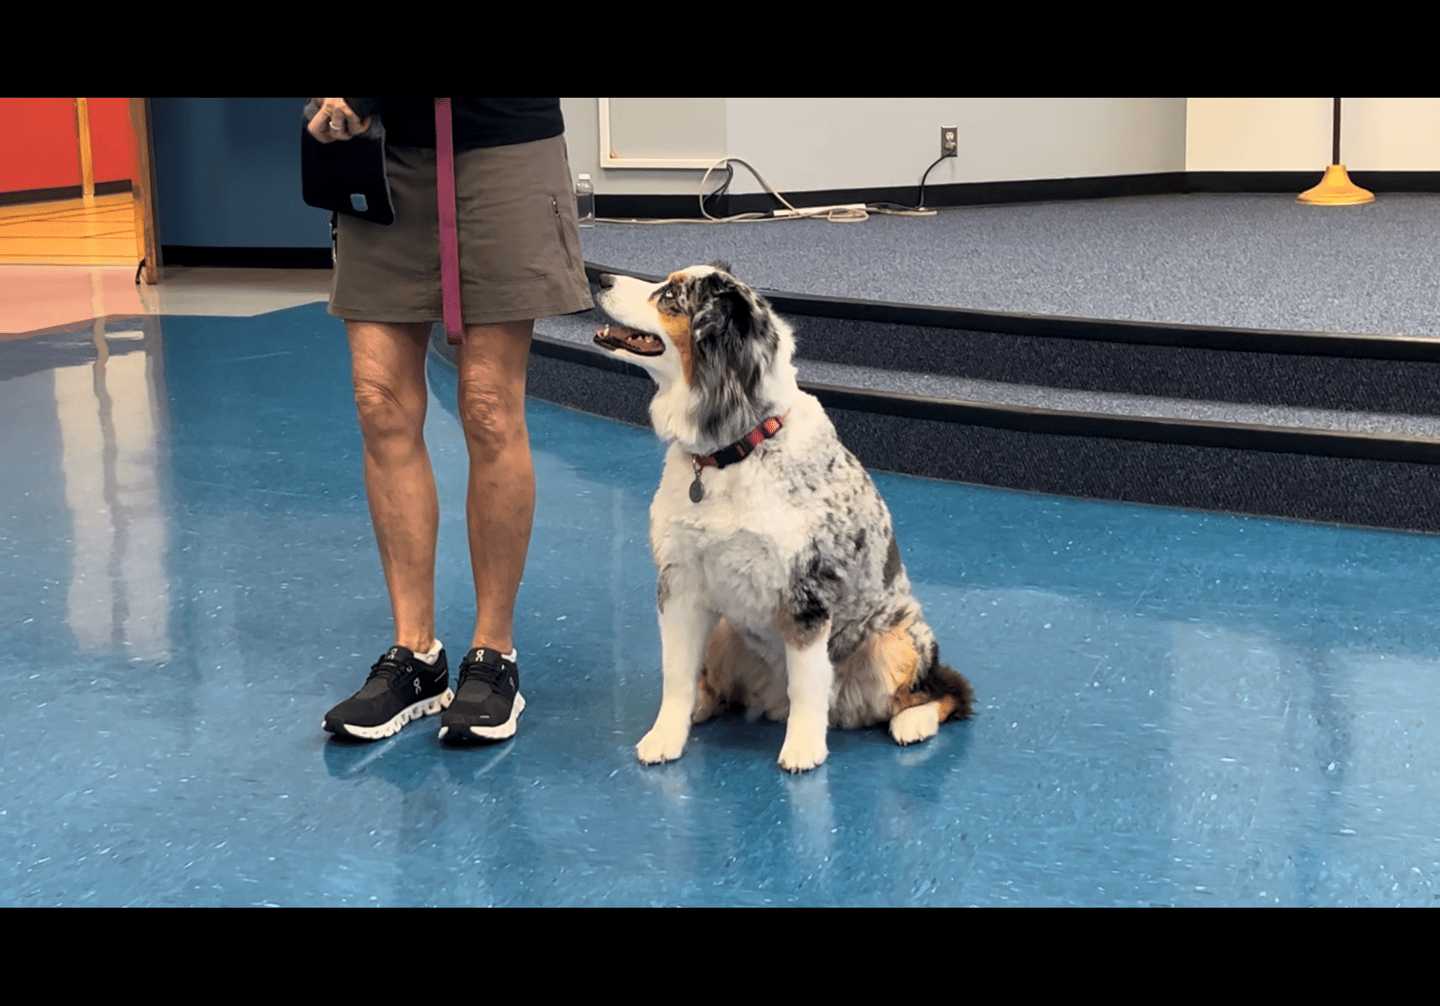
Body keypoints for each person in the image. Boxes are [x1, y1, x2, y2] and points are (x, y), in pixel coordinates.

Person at [313, 98, 593, 743]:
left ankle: (494, 654)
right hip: (383, 149)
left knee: (489, 406)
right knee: (379, 401)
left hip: (501, 144)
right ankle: (415, 655)